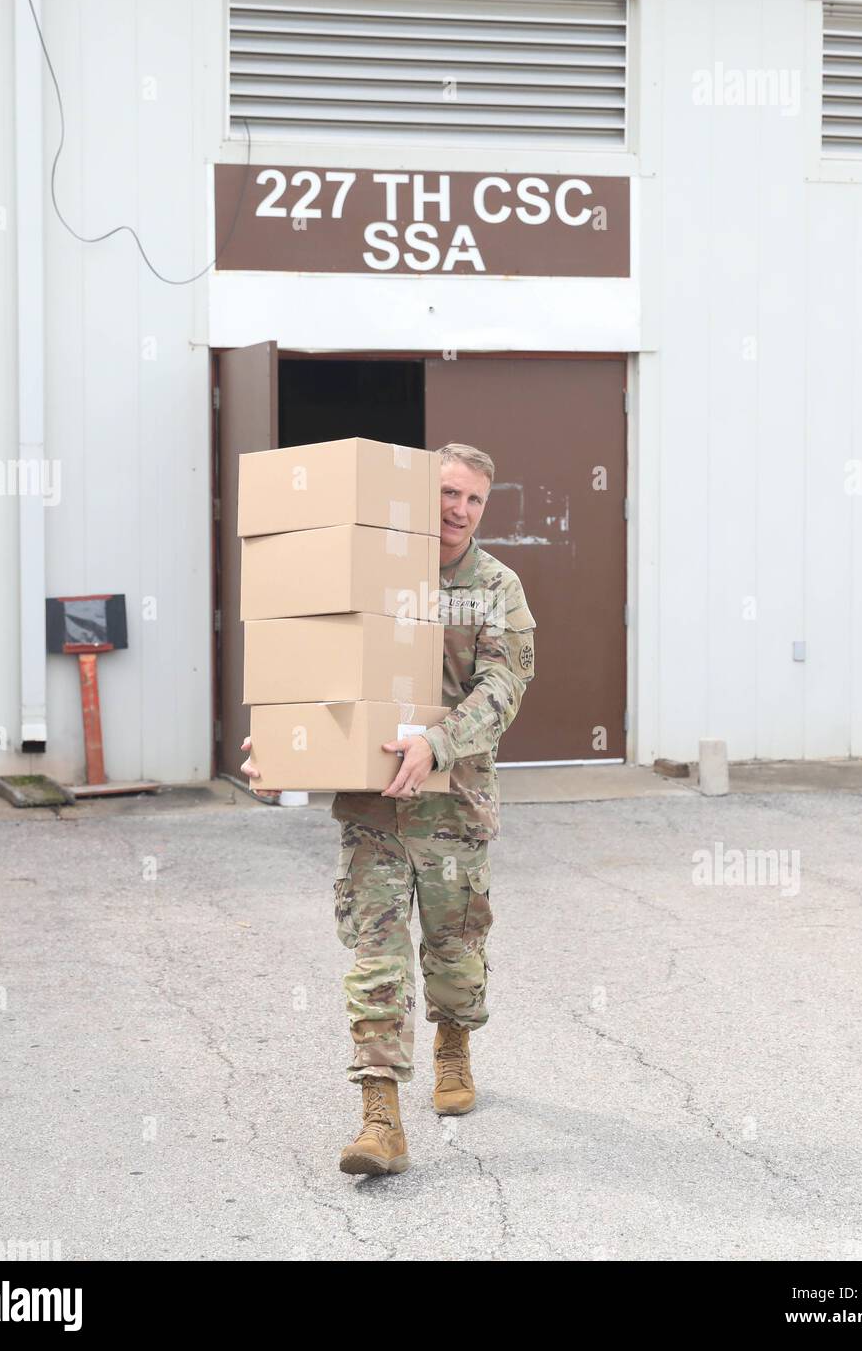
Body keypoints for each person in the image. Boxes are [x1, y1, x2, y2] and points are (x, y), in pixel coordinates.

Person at [241, 442, 536, 1176]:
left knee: (454, 957)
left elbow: (502, 690)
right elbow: (312, 664)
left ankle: (454, 1042)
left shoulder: (494, 586)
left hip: (453, 811)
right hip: (372, 808)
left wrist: (436, 745)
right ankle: (379, 1117)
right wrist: (285, 748)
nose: (456, 509)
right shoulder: (369, 569)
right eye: (446, 492)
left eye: (472, 499)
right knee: (375, 958)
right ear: (414, 493)